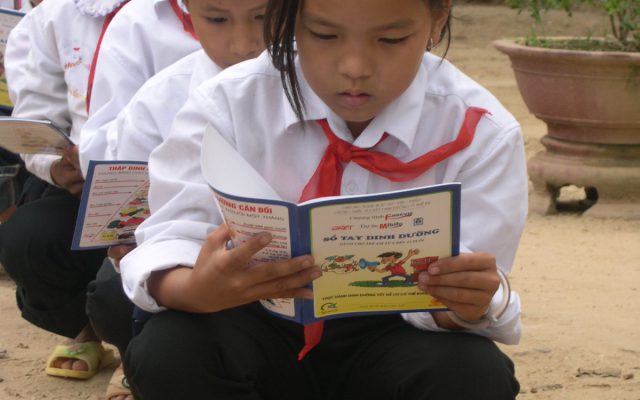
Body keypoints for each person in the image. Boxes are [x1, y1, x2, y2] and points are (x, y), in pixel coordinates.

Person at [121, 0, 528, 398]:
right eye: (324, 34)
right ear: (289, 20)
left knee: (470, 373)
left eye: (391, 39)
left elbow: (472, 284)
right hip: (254, 324)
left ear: (436, 21)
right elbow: (169, 237)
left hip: (397, 336)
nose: (355, 67)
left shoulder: (482, 134)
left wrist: (461, 302)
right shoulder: (228, 104)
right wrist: (195, 288)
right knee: (170, 350)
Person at [82, 0, 266, 398]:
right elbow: (121, 205)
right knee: (117, 298)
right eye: (217, 20)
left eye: (265, 17)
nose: (244, 43)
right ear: (187, 13)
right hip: (203, 288)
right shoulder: (162, 97)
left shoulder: (336, 91)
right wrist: (152, 256)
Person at [0, 0, 132, 382]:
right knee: (28, 238)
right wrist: (57, 167)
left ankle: (136, 344)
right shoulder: (51, 19)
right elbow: (36, 113)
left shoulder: (175, 15)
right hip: (84, 181)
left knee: (145, 257)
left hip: (165, 177)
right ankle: (86, 327)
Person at [78, 0, 201, 175]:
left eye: (256, 17)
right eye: (217, 19)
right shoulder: (136, 22)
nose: (242, 46)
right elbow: (105, 157)